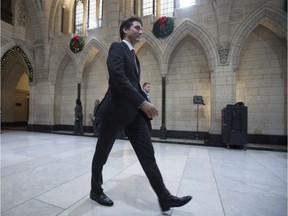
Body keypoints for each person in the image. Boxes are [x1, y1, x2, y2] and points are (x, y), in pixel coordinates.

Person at [90, 16, 192, 212]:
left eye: (142, 28)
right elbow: (118, 79)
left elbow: (133, 84)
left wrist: (142, 103)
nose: (141, 31)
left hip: (133, 114)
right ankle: (96, 190)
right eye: (137, 27)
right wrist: (142, 102)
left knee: (148, 155)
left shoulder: (134, 56)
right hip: (115, 112)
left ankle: (164, 197)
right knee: (102, 154)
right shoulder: (117, 48)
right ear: (125, 30)